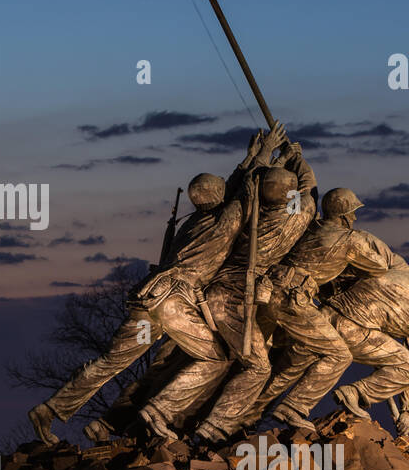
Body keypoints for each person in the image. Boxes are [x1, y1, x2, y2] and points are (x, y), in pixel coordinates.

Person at [24, 127, 278, 444]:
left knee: (110, 362)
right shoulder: (224, 220)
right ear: (219, 197)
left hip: (147, 297)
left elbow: (232, 188)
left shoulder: (192, 222)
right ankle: (159, 412)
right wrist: (264, 155)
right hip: (173, 301)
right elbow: (246, 192)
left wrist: (249, 157)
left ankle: (50, 410)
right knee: (216, 356)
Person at [144, 136, 317, 443]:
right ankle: (212, 428)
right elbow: (308, 186)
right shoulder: (299, 215)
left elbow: (244, 189)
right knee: (258, 367)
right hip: (235, 299)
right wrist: (296, 157)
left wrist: (268, 159)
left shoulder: (249, 217)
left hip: (212, 295)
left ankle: (163, 413)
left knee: (217, 357)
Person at [250, 187, 409, 432]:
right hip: (293, 298)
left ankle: (246, 417)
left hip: (269, 291)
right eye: (353, 213)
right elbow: (378, 268)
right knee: (339, 355)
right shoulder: (349, 239)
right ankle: (292, 409)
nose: (355, 219)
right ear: (345, 215)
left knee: (281, 364)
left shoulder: (311, 227)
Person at [324, 271, 409, 437]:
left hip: (327, 315)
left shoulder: (398, 276)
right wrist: (406, 411)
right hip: (356, 332)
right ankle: (355, 392)